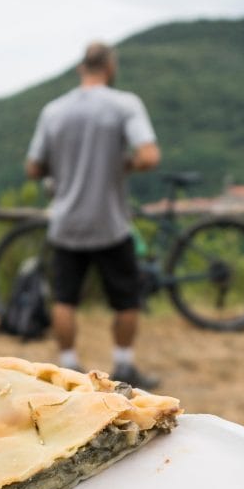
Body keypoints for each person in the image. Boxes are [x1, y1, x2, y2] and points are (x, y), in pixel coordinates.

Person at [25, 41, 162, 388]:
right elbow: (148, 156)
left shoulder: (53, 111)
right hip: (110, 223)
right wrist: (123, 165)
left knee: (65, 298)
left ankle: (69, 368)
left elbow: (32, 167)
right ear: (110, 67)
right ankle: (124, 364)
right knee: (126, 298)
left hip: (66, 222)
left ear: (80, 68)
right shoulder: (124, 105)